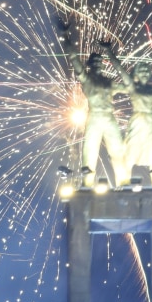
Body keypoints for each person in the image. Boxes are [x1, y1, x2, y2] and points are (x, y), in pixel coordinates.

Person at [100, 41, 152, 186]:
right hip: (136, 121)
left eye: (146, 70)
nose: (144, 73)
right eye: (141, 70)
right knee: (130, 152)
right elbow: (120, 70)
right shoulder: (132, 87)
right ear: (136, 73)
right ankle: (124, 182)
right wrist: (109, 52)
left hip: (150, 122)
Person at [57, 22, 127, 187]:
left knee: (117, 153)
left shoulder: (110, 83)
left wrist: (109, 52)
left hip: (109, 118)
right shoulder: (86, 80)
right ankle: (87, 185)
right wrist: (66, 36)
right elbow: (74, 59)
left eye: (100, 62)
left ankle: (124, 183)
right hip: (94, 117)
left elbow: (129, 84)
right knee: (89, 155)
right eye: (94, 62)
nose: (97, 64)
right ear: (89, 64)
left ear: (103, 65)